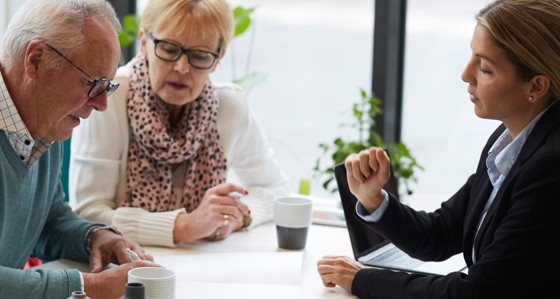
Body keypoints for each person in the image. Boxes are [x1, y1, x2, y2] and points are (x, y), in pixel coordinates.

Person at [317, 0, 560, 298]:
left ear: (536, 87)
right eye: (472, 56)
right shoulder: (511, 139)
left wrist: (362, 280)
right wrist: (374, 198)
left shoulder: (549, 167)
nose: (466, 73)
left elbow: (476, 293)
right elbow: (440, 234)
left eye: (485, 68)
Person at [69, 0, 290, 247]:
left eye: (199, 55)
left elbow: (277, 189)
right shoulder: (111, 97)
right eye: (169, 49)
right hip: (128, 268)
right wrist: (184, 226)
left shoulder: (229, 106)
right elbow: (88, 214)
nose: (182, 67)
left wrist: (235, 216)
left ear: (218, 59)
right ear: (143, 42)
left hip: (205, 266)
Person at [0, 0, 160, 298]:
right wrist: (89, 287)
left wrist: (94, 236)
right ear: (36, 60)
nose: (101, 105)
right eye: (94, 84)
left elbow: (49, 221)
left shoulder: (45, 122)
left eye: (108, 87)